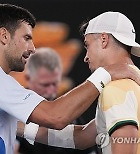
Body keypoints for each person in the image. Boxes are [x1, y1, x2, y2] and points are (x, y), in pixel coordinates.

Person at [0, 3, 139, 153]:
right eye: (26, 38)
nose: (32, 48)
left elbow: (83, 136)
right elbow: (60, 119)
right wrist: (107, 73)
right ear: (4, 36)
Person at [18, 11, 140, 154]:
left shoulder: (117, 86)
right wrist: (19, 127)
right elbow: (82, 137)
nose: (86, 57)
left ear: (104, 39)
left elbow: (127, 138)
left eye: (87, 45)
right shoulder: (133, 79)